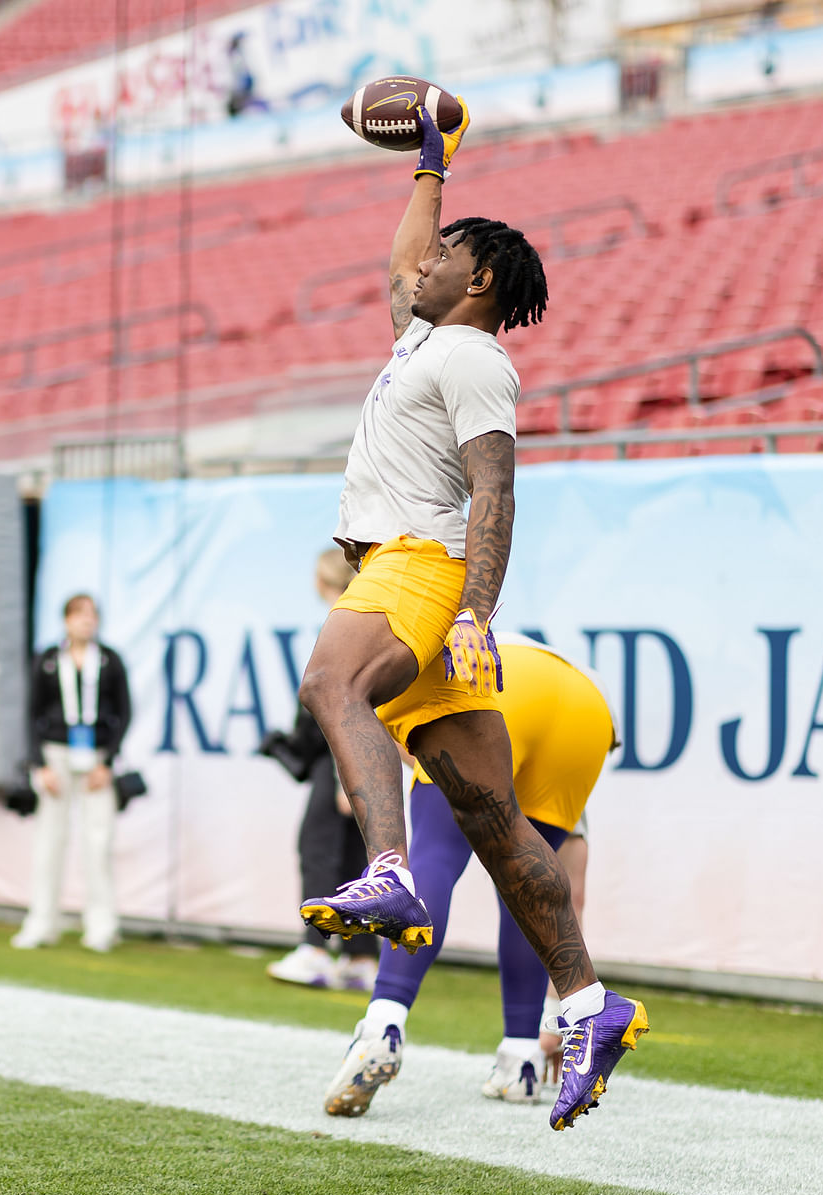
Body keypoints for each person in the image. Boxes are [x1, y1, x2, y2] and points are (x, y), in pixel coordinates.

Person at [294, 101, 647, 1131]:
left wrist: (476, 609)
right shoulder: (425, 337)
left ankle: (392, 871)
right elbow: (403, 258)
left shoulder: (472, 358)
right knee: (498, 827)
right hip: (422, 570)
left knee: (329, 682)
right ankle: (589, 1001)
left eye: (446, 255)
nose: (423, 264)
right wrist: (431, 167)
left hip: (417, 564)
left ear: (479, 281)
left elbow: (495, 488)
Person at [323, 636, 615, 1117]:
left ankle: (383, 1024)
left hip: (496, 689)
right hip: (590, 707)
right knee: (524, 887)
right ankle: (519, 1059)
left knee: (435, 855)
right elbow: (571, 890)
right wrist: (559, 1009)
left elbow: (393, 753)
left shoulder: (379, 663)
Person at [261, 550, 377, 991]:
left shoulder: (343, 625)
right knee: (351, 856)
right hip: (355, 755)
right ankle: (359, 957)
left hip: (342, 755)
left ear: (322, 579)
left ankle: (315, 950)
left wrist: (345, 775)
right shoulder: (366, 624)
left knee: (318, 848)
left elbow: (341, 702)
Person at [15, 593, 132, 952]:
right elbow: (30, 713)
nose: (87, 621)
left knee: (98, 842)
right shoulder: (48, 659)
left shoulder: (110, 661)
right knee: (49, 841)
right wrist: (39, 763)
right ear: (66, 620)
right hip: (56, 755)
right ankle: (41, 922)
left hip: (94, 758)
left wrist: (108, 760)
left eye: (92, 615)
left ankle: (101, 925)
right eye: (79, 614)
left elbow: (124, 713)